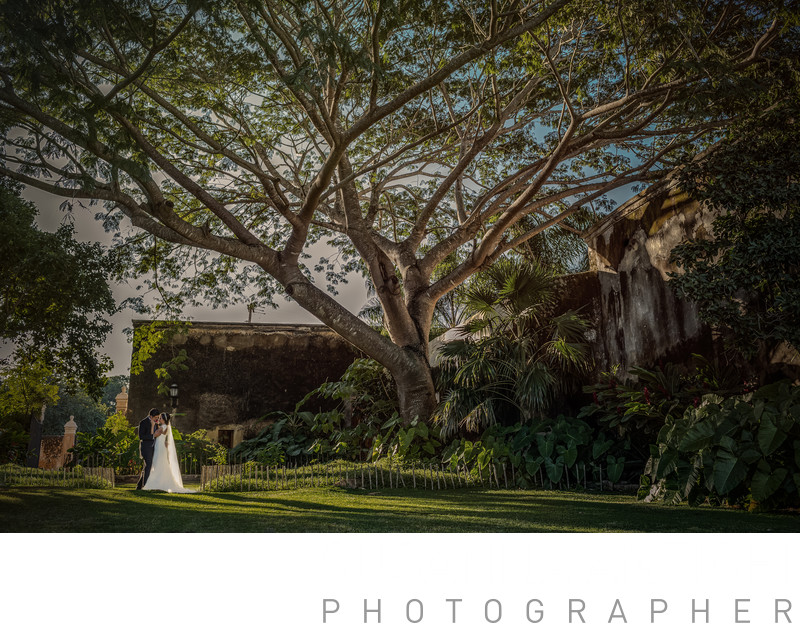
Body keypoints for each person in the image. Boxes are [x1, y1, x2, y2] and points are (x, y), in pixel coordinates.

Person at [143, 412, 195, 493]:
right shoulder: (166, 427)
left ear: (163, 420)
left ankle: (157, 483)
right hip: (161, 447)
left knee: (157, 463)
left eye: (160, 418)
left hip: (159, 447)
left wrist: (153, 425)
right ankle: (161, 482)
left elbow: (153, 435)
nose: (158, 419)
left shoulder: (161, 428)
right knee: (162, 463)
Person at [136, 408, 162, 490]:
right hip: (146, 447)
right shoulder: (143, 422)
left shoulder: (156, 423)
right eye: (156, 417)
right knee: (148, 465)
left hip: (154, 447)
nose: (157, 419)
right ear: (151, 416)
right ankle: (146, 486)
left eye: (158, 417)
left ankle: (139, 486)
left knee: (147, 466)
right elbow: (141, 436)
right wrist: (153, 436)